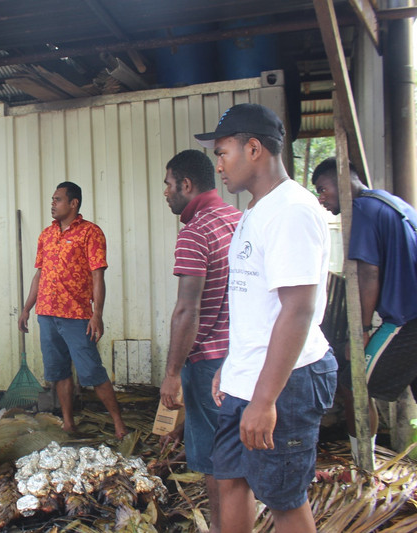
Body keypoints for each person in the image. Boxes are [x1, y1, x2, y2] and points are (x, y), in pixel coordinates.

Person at [194, 103, 337, 533]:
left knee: (282, 498)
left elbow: (298, 310)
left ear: (253, 148)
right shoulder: (256, 211)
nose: (217, 165)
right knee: (231, 481)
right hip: (248, 375)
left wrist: (264, 399)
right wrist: (233, 367)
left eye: (222, 152)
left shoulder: (291, 210)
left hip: (285, 382)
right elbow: (257, 304)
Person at [312, 157, 417, 464]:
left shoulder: (362, 211)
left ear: (343, 182)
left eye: (322, 189)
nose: (321, 198)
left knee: (351, 385)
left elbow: (369, 274)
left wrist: (362, 331)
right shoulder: (391, 203)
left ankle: (364, 469)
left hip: (406, 320)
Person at [159, 149, 242, 532]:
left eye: (168, 183)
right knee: (237, 457)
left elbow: (186, 311)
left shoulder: (195, 232)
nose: (165, 191)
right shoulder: (238, 220)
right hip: (241, 360)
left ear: (186, 185)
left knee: (214, 463)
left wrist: (172, 372)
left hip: (208, 363)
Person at [19, 181, 128, 439]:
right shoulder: (46, 234)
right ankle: (68, 423)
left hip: (77, 316)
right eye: (53, 200)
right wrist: (26, 308)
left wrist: (97, 314)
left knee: (92, 371)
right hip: (46, 314)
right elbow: (39, 274)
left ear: (73, 203)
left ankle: (118, 424)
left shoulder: (91, 232)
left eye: (57, 200)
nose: (53, 204)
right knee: (59, 372)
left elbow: (97, 276)